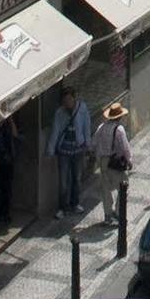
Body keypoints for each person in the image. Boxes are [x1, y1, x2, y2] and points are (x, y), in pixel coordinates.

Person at [47, 86, 92, 217]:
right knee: (63, 181)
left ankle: (75, 203)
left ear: (74, 98)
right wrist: (50, 150)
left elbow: (86, 127)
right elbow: (55, 131)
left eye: (69, 99)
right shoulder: (59, 113)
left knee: (76, 178)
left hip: (78, 149)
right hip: (64, 151)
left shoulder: (82, 109)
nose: (67, 103)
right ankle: (63, 207)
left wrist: (88, 145)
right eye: (64, 100)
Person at [92, 101, 133, 229]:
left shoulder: (101, 127)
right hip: (115, 162)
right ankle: (119, 212)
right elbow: (124, 147)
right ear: (120, 117)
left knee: (106, 189)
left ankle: (107, 216)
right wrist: (129, 161)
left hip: (103, 162)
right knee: (123, 188)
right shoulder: (119, 129)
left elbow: (93, 143)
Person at [0, 108, 19, 231]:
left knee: (7, 188)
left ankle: (4, 213)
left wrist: (10, 121)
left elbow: (15, 135)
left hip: (7, 160)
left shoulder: (6, 125)